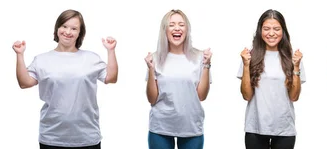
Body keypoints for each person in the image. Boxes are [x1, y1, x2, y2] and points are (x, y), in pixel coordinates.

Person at [12, 9, 118, 149]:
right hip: (52, 137)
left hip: (86, 137)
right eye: (64, 26)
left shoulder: (91, 58)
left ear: (80, 33)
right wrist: (20, 55)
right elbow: (24, 83)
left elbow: (111, 78)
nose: (68, 32)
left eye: (74, 28)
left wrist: (111, 51)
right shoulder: (42, 60)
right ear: (57, 29)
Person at [144, 9, 212, 149]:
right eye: (172, 24)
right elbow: (152, 99)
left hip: (191, 127)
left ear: (187, 30)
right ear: (165, 30)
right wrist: (151, 69)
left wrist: (206, 65)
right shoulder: (155, 58)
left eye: (181, 24)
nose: (177, 28)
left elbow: (202, 96)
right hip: (161, 127)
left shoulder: (200, 57)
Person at [237, 9, 305, 149]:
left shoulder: (292, 57)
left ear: (283, 31)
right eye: (267, 29)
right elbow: (246, 95)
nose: (271, 33)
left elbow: (294, 97)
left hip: (284, 128)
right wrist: (245, 65)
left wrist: (296, 67)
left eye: (276, 29)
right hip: (255, 128)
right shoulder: (250, 56)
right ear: (260, 31)